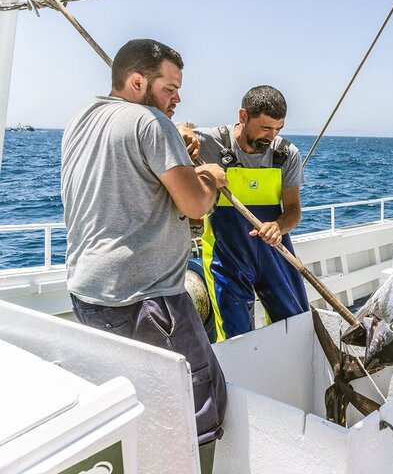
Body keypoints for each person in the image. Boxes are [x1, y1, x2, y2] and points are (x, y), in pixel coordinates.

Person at [61, 39, 228, 460]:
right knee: (199, 410)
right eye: (169, 88)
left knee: (137, 406)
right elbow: (193, 204)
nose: (176, 99)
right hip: (145, 300)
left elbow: (132, 187)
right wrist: (210, 176)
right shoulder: (151, 122)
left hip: (88, 295)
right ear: (137, 81)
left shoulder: (80, 121)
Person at [182, 85, 309, 342]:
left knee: (297, 323)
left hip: (274, 252)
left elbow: (294, 211)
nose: (272, 136)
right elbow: (174, 131)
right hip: (226, 258)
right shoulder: (211, 143)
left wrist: (279, 227)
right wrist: (181, 130)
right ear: (243, 116)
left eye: (278, 128)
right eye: (265, 128)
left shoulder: (286, 154)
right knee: (235, 336)